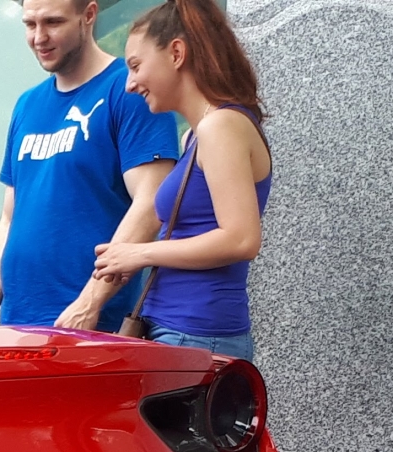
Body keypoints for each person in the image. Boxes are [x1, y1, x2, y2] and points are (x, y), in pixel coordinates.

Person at [90, 0, 272, 359]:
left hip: (196, 335)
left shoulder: (220, 126)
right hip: (180, 331)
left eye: (136, 66)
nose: (129, 84)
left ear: (176, 53)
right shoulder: (196, 135)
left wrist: (138, 253)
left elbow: (241, 239)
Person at [0, 0, 179, 330]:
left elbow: (152, 204)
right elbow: (9, 217)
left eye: (53, 23)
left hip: (90, 325)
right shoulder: (27, 105)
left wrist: (90, 303)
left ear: (89, 15)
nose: (39, 37)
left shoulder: (130, 90)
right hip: (17, 324)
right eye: (30, 25)